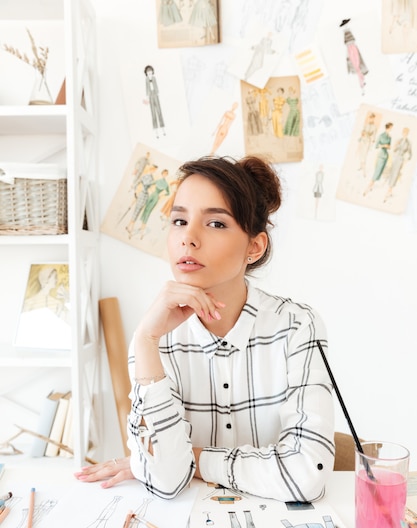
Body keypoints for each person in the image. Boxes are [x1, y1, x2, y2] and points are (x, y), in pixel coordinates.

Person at [75, 155, 335, 502]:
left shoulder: (297, 326)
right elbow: (165, 480)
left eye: (215, 224)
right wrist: (146, 342)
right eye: (179, 220)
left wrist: (193, 458)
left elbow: (306, 476)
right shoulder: (153, 337)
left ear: (254, 247)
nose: (188, 239)